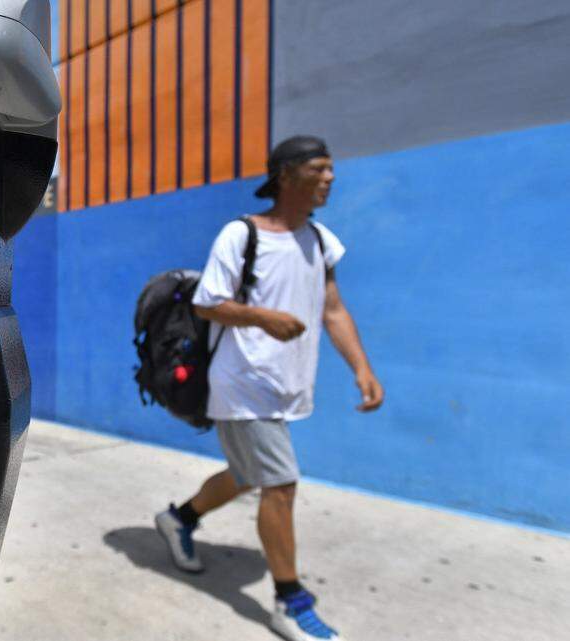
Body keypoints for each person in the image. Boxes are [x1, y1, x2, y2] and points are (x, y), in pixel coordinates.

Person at [154, 136, 384, 641]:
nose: (330, 177)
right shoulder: (241, 235)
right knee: (280, 484)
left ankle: (179, 519)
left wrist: (361, 368)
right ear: (285, 175)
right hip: (242, 383)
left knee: (246, 475)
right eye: (319, 168)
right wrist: (263, 318)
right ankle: (289, 601)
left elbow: (333, 309)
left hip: (286, 384)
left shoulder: (321, 241)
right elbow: (207, 303)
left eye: (331, 169)